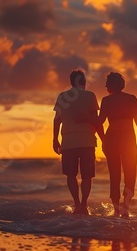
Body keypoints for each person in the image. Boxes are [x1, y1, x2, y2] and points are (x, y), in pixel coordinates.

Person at [97, 72, 137, 217]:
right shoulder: (131, 99)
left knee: (114, 174)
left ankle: (116, 210)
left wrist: (88, 118)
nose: (106, 87)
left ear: (111, 85)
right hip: (128, 138)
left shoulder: (106, 101)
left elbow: (100, 121)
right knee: (130, 172)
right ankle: (125, 207)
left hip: (112, 138)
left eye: (107, 84)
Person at [53, 69, 102, 215]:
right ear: (84, 82)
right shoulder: (90, 96)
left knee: (71, 175)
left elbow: (57, 120)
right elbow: (96, 120)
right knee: (87, 176)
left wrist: (55, 139)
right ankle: (84, 205)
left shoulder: (62, 96)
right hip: (87, 141)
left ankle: (77, 204)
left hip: (68, 142)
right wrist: (103, 138)